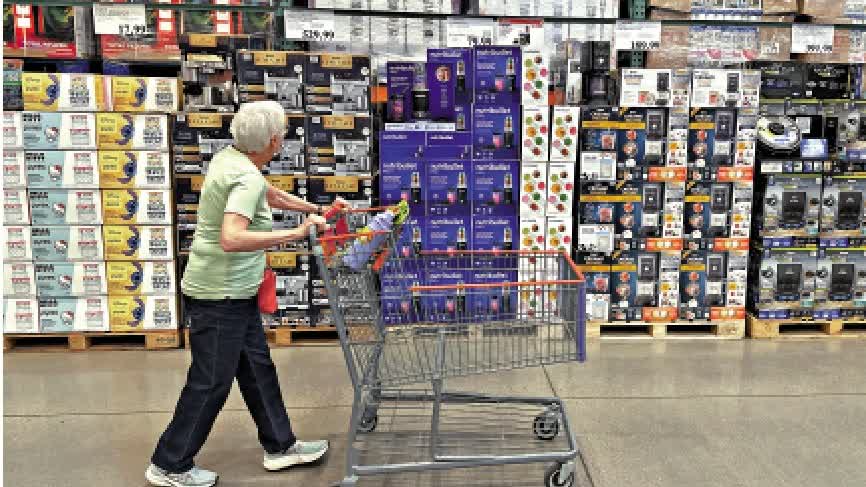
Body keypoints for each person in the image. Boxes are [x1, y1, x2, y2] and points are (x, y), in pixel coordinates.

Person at [146, 101, 341, 487]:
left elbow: (269, 194)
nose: (284, 138)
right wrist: (296, 233)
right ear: (272, 141)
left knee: (257, 369)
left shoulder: (231, 159)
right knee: (211, 381)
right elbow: (232, 238)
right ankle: (169, 463)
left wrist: (315, 209)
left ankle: (280, 446)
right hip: (219, 295)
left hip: (235, 291)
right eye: (282, 133)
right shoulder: (245, 176)